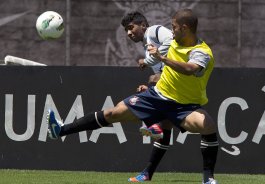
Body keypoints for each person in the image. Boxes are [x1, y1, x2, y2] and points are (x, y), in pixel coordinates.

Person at [47, 9, 218, 184]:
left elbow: (189, 69)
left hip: (185, 105)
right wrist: (152, 80)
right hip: (157, 96)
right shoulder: (173, 41)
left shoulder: (201, 51)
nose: (171, 30)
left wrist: (158, 58)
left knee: (208, 126)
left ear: (184, 28)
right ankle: (61, 130)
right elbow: (166, 72)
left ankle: (208, 178)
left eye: (173, 27)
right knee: (112, 114)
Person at [120, 11, 174, 182]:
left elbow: (172, 40)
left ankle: (152, 123)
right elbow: (161, 72)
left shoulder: (155, 31)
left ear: (143, 25)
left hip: (181, 83)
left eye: (131, 28)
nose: (129, 33)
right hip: (170, 86)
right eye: (126, 31)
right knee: (166, 128)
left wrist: (149, 60)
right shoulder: (147, 45)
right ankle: (147, 173)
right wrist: (152, 85)